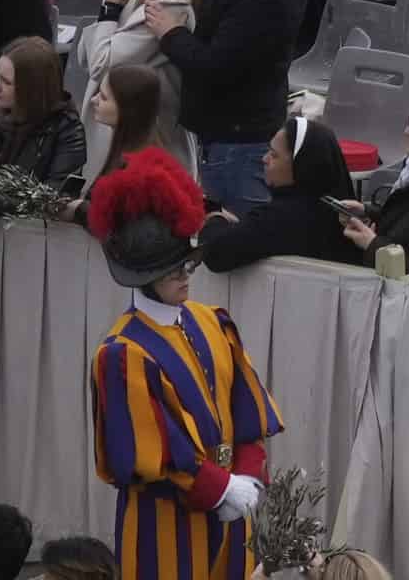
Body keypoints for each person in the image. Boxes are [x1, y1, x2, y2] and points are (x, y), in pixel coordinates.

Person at [83, 202, 273, 580]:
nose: (185, 277)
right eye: (173, 272)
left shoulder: (213, 320)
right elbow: (148, 452)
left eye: (187, 265)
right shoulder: (122, 353)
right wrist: (222, 489)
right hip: (166, 521)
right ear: (144, 277)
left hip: (232, 507)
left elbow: (247, 410)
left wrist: (249, 473)